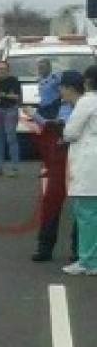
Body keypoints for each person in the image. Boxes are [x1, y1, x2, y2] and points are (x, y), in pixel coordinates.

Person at [33, 69, 82, 263]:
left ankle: (78, 249)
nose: (59, 90)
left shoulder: (84, 107)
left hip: (75, 156)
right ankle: (45, 247)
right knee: (51, 202)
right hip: (59, 157)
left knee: (80, 204)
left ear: (69, 88)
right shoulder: (58, 104)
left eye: (61, 87)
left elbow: (62, 128)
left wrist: (41, 120)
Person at [61, 66, 97, 276]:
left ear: (87, 82)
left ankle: (88, 260)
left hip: (88, 163)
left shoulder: (87, 101)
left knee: (86, 215)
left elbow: (70, 132)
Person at [0, 60, 22, 176]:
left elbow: (17, 96)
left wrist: (5, 95)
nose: (2, 71)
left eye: (4, 69)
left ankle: (15, 168)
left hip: (10, 110)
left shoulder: (14, 81)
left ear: (8, 70)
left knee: (11, 137)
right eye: (0, 69)